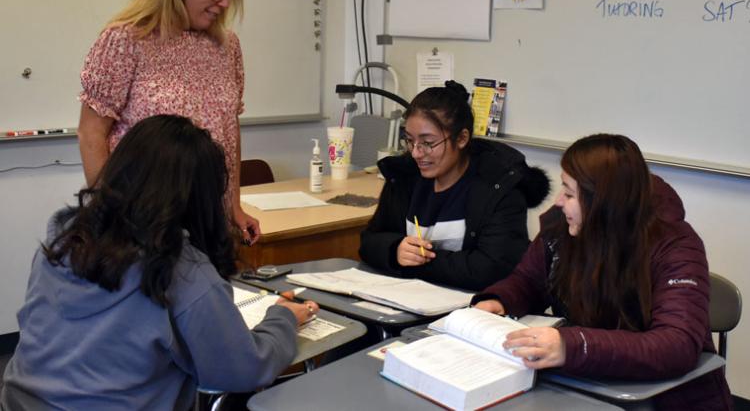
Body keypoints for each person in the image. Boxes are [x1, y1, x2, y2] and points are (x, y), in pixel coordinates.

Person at [1, 115, 319, 410]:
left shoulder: (66, 236)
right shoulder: (182, 270)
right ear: (200, 196)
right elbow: (244, 370)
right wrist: (283, 318)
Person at [473, 134, 732, 410]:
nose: (559, 202)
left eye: (570, 193)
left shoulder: (675, 245)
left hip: (669, 400)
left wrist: (573, 345)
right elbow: (529, 280)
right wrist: (500, 300)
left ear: (603, 202)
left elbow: (676, 344)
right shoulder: (565, 228)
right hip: (590, 388)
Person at [77, 0, 260, 245]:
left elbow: (229, 129)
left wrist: (233, 206)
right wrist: (111, 212)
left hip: (207, 221)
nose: (224, 3)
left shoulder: (226, 46)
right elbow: (91, 134)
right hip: (144, 225)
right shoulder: (126, 40)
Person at [359, 81, 550, 291]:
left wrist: (419, 263)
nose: (416, 153)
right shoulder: (404, 176)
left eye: (428, 143)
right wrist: (394, 250)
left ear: (461, 138)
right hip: (407, 302)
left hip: (471, 310)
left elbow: (490, 269)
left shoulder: (498, 187)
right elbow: (369, 241)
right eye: (410, 141)